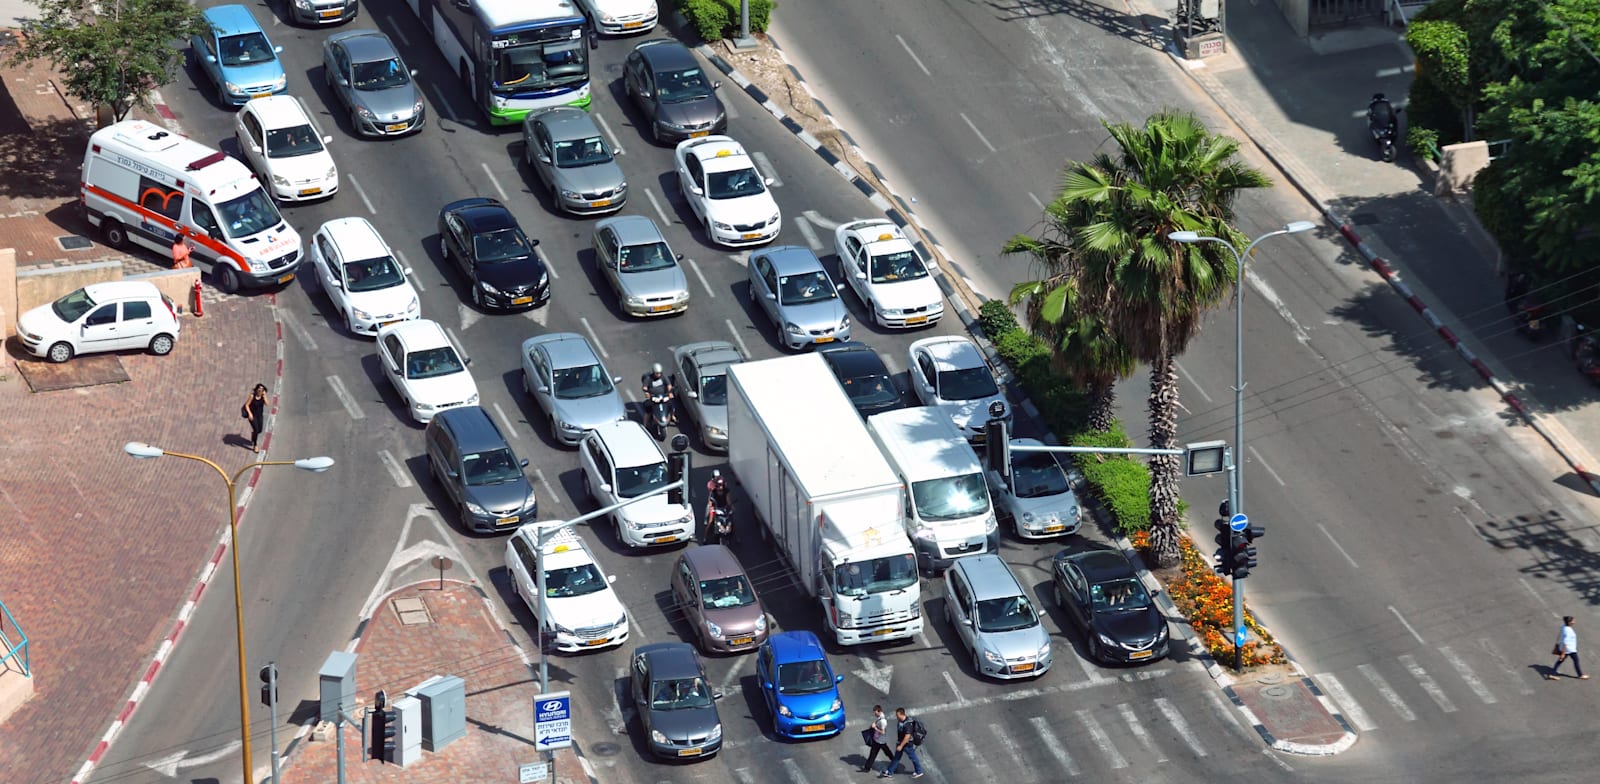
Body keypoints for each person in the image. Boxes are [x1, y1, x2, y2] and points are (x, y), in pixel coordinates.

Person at [880, 707, 924, 778]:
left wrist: (901, 745)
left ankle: (919, 771)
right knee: (896, 757)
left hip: (906, 744)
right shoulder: (901, 721)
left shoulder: (907, 724)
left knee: (913, 757)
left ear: (901, 714)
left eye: (897, 715)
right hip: (900, 742)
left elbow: (907, 736)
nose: (896, 716)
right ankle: (890, 771)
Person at [1549, 615, 1588, 680]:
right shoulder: (1568, 631)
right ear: (1569, 622)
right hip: (1569, 649)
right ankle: (1580, 675)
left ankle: (1552, 674)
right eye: (1573, 621)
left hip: (1566, 648)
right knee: (1575, 660)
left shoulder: (1563, 626)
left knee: (1560, 661)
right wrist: (1563, 653)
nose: (1574, 622)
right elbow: (1565, 642)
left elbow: (1560, 634)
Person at [861, 704, 893, 773]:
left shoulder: (882, 721)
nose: (874, 714)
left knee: (887, 752)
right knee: (873, 754)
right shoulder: (880, 717)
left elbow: (883, 732)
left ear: (879, 711)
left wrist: (875, 727)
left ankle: (894, 762)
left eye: (875, 712)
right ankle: (867, 767)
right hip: (877, 740)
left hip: (881, 741)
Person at [242, 383, 268, 453]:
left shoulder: (263, 396)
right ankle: (255, 445)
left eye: (262, 390)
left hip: (260, 415)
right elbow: (246, 405)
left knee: (259, 430)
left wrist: (265, 395)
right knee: (256, 430)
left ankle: (253, 435)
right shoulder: (252, 396)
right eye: (259, 389)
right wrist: (250, 414)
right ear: (256, 390)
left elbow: (267, 404)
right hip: (253, 416)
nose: (260, 391)